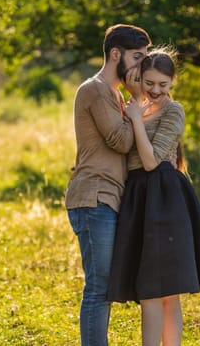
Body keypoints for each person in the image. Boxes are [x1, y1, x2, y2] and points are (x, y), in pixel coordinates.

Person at [107, 48, 200, 346]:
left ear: (173, 81)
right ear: (140, 79)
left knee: (160, 290)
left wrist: (135, 119)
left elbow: (151, 162)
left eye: (163, 84)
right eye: (150, 83)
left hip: (163, 197)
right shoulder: (138, 108)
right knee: (154, 290)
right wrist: (135, 111)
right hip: (139, 199)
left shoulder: (173, 111)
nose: (156, 90)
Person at [65, 24, 152, 346]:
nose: (141, 66)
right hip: (93, 197)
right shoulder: (96, 89)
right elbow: (121, 141)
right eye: (137, 57)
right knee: (99, 288)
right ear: (116, 53)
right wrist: (139, 102)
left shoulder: (114, 94)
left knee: (107, 286)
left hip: (109, 198)